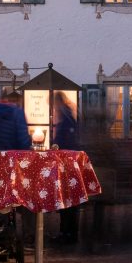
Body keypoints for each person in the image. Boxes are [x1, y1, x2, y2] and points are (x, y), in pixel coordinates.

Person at [52, 91, 82, 245]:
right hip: (71, 165)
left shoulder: (65, 121)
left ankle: (67, 233)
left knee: (66, 202)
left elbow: (63, 143)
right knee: (69, 202)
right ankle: (69, 232)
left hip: (66, 166)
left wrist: (55, 146)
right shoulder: (69, 118)